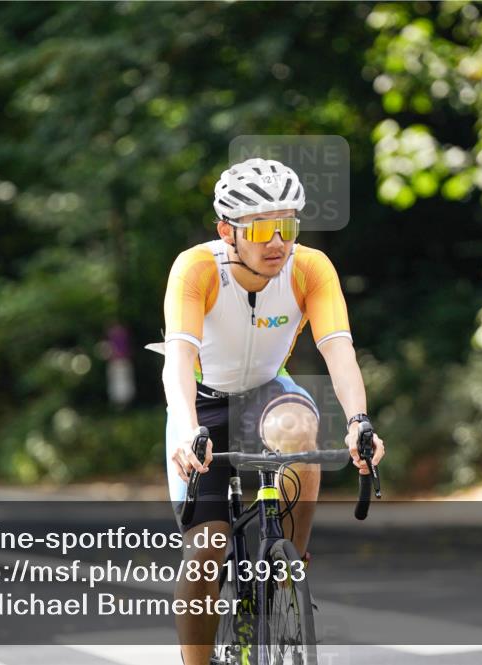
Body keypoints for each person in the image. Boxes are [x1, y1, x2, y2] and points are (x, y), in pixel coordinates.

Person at [160, 157, 385, 664]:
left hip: (267, 391)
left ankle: (289, 565)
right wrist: (186, 432)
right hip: (204, 403)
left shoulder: (309, 268)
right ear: (227, 231)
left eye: (286, 226)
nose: (276, 242)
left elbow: (339, 350)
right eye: (261, 228)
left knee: (300, 428)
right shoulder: (196, 268)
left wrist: (358, 422)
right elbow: (177, 361)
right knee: (205, 554)